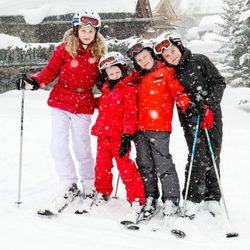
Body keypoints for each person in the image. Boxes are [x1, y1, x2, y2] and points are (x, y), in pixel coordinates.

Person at [16, 9, 106, 208]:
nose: (87, 34)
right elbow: (50, 71)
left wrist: (114, 91)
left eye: (91, 31)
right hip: (61, 101)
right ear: (76, 29)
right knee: (58, 145)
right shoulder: (64, 49)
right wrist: (34, 82)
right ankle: (68, 182)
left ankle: (89, 183)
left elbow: (104, 80)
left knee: (82, 147)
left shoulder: (99, 53)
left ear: (96, 34)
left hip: (83, 104)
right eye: (83, 30)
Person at [153, 31, 226, 218]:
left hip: (211, 114)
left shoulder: (200, 60)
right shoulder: (171, 72)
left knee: (213, 152)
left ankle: (212, 197)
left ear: (179, 46)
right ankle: (192, 198)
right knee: (197, 154)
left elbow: (219, 82)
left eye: (172, 51)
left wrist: (209, 104)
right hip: (190, 118)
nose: (171, 57)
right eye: (166, 56)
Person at [126, 38, 193, 219]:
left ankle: (171, 200)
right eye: (139, 60)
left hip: (159, 128)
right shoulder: (136, 79)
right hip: (139, 130)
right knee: (145, 165)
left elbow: (178, 93)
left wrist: (188, 106)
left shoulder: (166, 72)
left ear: (151, 54)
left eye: (145, 57)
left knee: (164, 164)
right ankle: (150, 197)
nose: (143, 61)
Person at [89, 51, 145, 220]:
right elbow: (101, 105)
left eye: (116, 72)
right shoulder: (106, 91)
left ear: (123, 70)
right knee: (101, 166)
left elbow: (130, 114)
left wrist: (127, 136)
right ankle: (103, 192)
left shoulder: (128, 90)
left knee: (125, 168)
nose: (114, 75)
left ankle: (136, 199)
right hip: (103, 135)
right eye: (110, 73)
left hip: (119, 137)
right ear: (105, 75)